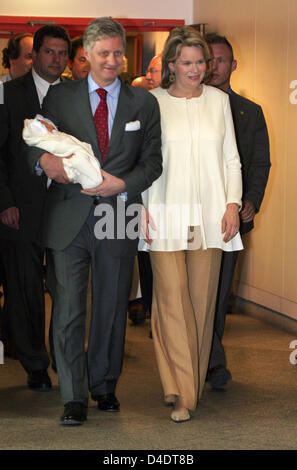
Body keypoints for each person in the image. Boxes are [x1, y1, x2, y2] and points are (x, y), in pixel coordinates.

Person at [26, 16, 162, 426]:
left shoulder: (144, 103)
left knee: (111, 304)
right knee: (67, 309)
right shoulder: (61, 97)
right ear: (85, 54)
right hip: (69, 215)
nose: (113, 61)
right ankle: (73, 395)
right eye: (104, 53)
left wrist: (122, 184)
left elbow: (153, 162)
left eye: (118, 52)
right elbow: (36, 139)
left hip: (118, 212)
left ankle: (104, 385)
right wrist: (43, 162)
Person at [142, 26, 242, 423]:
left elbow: (231, 159)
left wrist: (232, 204)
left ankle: (185, 386)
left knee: (200, 306)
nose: (196, 69)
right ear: (171, 65)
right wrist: (143, 208)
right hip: (163, 211)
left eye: (202, 61)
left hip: (212, 215)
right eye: (187, 62)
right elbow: (146, 163)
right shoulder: (153, 103)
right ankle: (183, 391)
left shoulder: (219, 102)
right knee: (171, 299)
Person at [0, 25, 70, 391]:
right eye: (49, 52)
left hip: (64, 208)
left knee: (65, 286)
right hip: (19, 209)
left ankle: (64, 357)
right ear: (35, 55)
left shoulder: (76, 95)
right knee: (24, 288)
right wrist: (4, 202)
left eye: (62, 53)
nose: (56, 60)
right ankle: (34, 363)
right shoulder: (8, 94)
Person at [205, 34, 271, 389]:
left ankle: (211, 360)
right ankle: (203, 358)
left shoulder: (250, 112)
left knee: (216, 294)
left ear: (233, 66)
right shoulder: (191, 105)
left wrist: (251, 200)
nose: (213, 67)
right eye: (208, 59)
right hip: (191, 216)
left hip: (231, 221)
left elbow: (260, 163)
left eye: (220, 60)